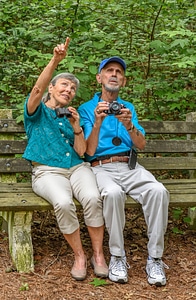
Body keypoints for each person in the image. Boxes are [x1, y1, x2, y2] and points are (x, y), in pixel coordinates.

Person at [78, 56, 169, 286]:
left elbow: (141, 145)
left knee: (158, 190)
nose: (114, 74)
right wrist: (97, 121)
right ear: (99, 78)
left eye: (119, 71)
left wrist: (128, 124)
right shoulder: (87, 109)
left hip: (130, 165)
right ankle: (117, 256)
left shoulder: (128, 108)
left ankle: (155, 258)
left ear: (124, 81)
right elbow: (88, 152)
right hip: (101, 167)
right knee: (113, 193)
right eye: (109, 70)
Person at [22, 38, 108, 281]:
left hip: (77, 168)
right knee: (63, 202)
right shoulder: (37, 112)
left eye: (72, 88)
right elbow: (36, 90)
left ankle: (98, 255)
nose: (69, 90)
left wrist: (77, 127)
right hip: (47, 172)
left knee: (93, 198)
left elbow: (82, 152)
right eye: (64, 85)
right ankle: (79, 255)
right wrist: (55, 60)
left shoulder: (71, 116)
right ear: (52, 87)